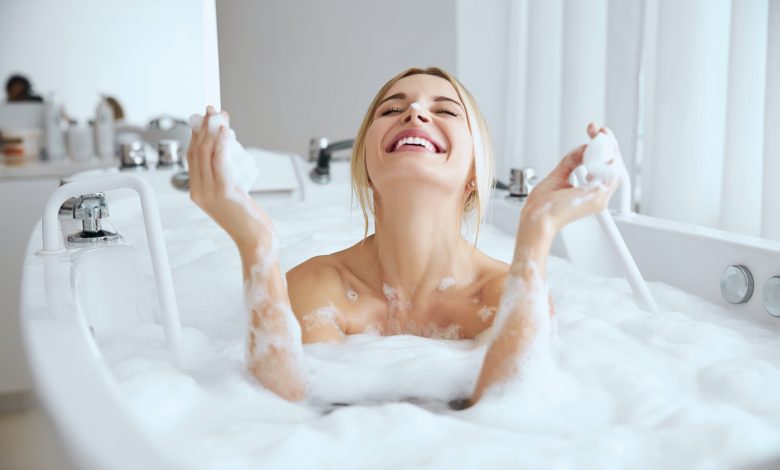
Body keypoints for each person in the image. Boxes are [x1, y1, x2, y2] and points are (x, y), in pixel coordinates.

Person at [187, 67, 618, 405]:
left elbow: (511, 411)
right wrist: (254, 244)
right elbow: (288, 412)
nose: (415, 113)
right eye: (392, 109)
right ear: (366, 168)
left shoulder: (504, 293)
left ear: (475, 172)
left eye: (446, 110)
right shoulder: (319, 287)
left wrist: (537, 233)